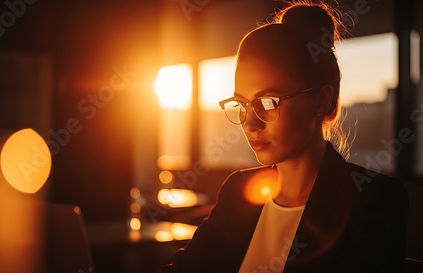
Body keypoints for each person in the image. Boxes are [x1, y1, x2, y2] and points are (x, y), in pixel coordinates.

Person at [160, 1, 408, 272]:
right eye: (242, 103)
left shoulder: (373, 201)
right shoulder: (238, 192)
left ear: (321, 101)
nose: (250, 123)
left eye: (267, 103)